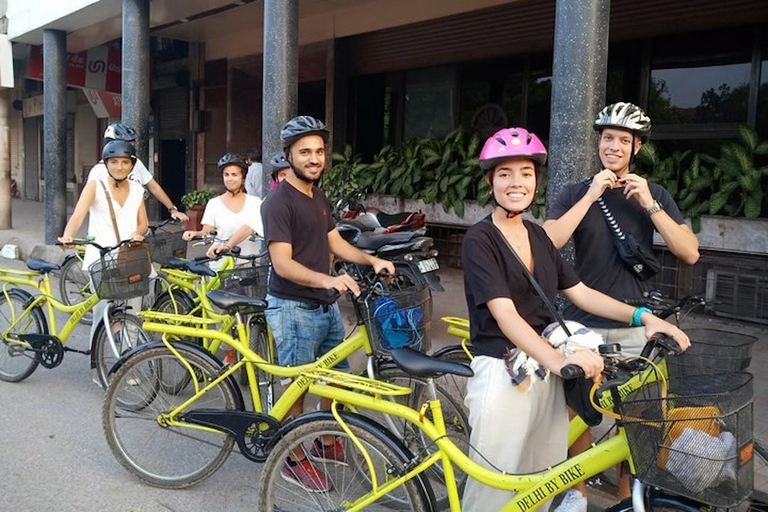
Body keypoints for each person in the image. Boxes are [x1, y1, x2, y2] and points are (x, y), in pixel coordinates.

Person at [460, 127, 689, 512]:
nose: (517, 183)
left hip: (545, 375)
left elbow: (580, 292)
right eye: (505, 174)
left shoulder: (537, 236)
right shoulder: (480, 239)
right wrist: (561, 361)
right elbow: (506, 316)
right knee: (494, 488)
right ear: (489, 181)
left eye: (526, 174)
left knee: (541, 479)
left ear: (536, 180)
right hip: (504, 372)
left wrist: (644, 316)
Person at [542, 103, 700, 501]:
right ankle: (576, 495)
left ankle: (630, 502)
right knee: (576, 418)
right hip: (582, 323)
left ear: (637, 148)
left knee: (640, 422)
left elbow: (689, 252)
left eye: (623, 141)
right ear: (599, 142)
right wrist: (592, 193)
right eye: (607, 138)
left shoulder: (654, 194)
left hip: (636, 327)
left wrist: (649, 202)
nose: (613, 146)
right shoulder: (576, 191)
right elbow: (548, 242)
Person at [262, 115, 394, 492]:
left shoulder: (315, 195)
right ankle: (293, 457)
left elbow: (334, 241)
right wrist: (329, 279)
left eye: (319, 151)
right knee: (297, 388)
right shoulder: (278, 202)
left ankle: (323, 439)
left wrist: (371, 260)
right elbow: (282, 263)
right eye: (305, 152)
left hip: (325, 306)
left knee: (339, 380)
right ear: (289, 156)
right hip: (293, 309)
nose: (314, 158)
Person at [58, 140, 148, 384]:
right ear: (107, 164)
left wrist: (139, 233)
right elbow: (78, 214)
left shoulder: (138, 190)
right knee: (103, 314)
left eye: (125, 162)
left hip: (130, 259)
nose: (120, 167)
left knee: (132, 316)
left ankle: (129, 365)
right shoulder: (94, 186)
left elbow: (143, 222)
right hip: (102, 261)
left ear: (132, 165)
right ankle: (97, 366)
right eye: (114, 162)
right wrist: (68, 233)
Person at [88, 123, 189, 223]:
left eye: (133, 145)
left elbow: (154, 187)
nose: (131, 149)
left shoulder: (136, 164)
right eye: (127, 145)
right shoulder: (98, 172)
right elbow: (86, 206)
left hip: (133, 228)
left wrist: (173, 210)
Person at [183, 153, 264, 270]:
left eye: (234, 175)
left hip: (248, 264)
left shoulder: (255, 202)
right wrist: (196, 233)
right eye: (226, 175)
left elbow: (248, 228)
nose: (230, 178)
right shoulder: (214, 203)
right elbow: (207, 231)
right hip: (220, 264)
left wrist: (227, 246)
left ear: (243, 178)